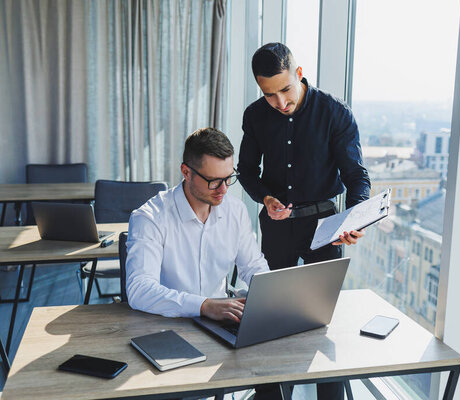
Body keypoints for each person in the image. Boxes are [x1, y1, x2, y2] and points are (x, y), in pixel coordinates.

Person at [238, 42, 371, 400]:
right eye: (270, 94)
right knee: (270, 320)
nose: (280, 102)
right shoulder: (255, 115)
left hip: (325, 229)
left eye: (285, 90)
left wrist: (353, 217)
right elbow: (247, 171)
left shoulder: (335, 113)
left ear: (299, 74)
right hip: (276, 226)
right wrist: (265, 198)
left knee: (321, 323)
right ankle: (271, 395)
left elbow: (357, 177)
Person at [126, 127, 269, 324]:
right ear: (186, 172)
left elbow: (253, 266)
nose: (223, 189)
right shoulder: (149, 218)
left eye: (228, 178)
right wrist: (204, 306)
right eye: (214, 181)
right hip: (164, 323)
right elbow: (139, 290)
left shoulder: (235, 210)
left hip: (221, 320)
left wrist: (273, 297)